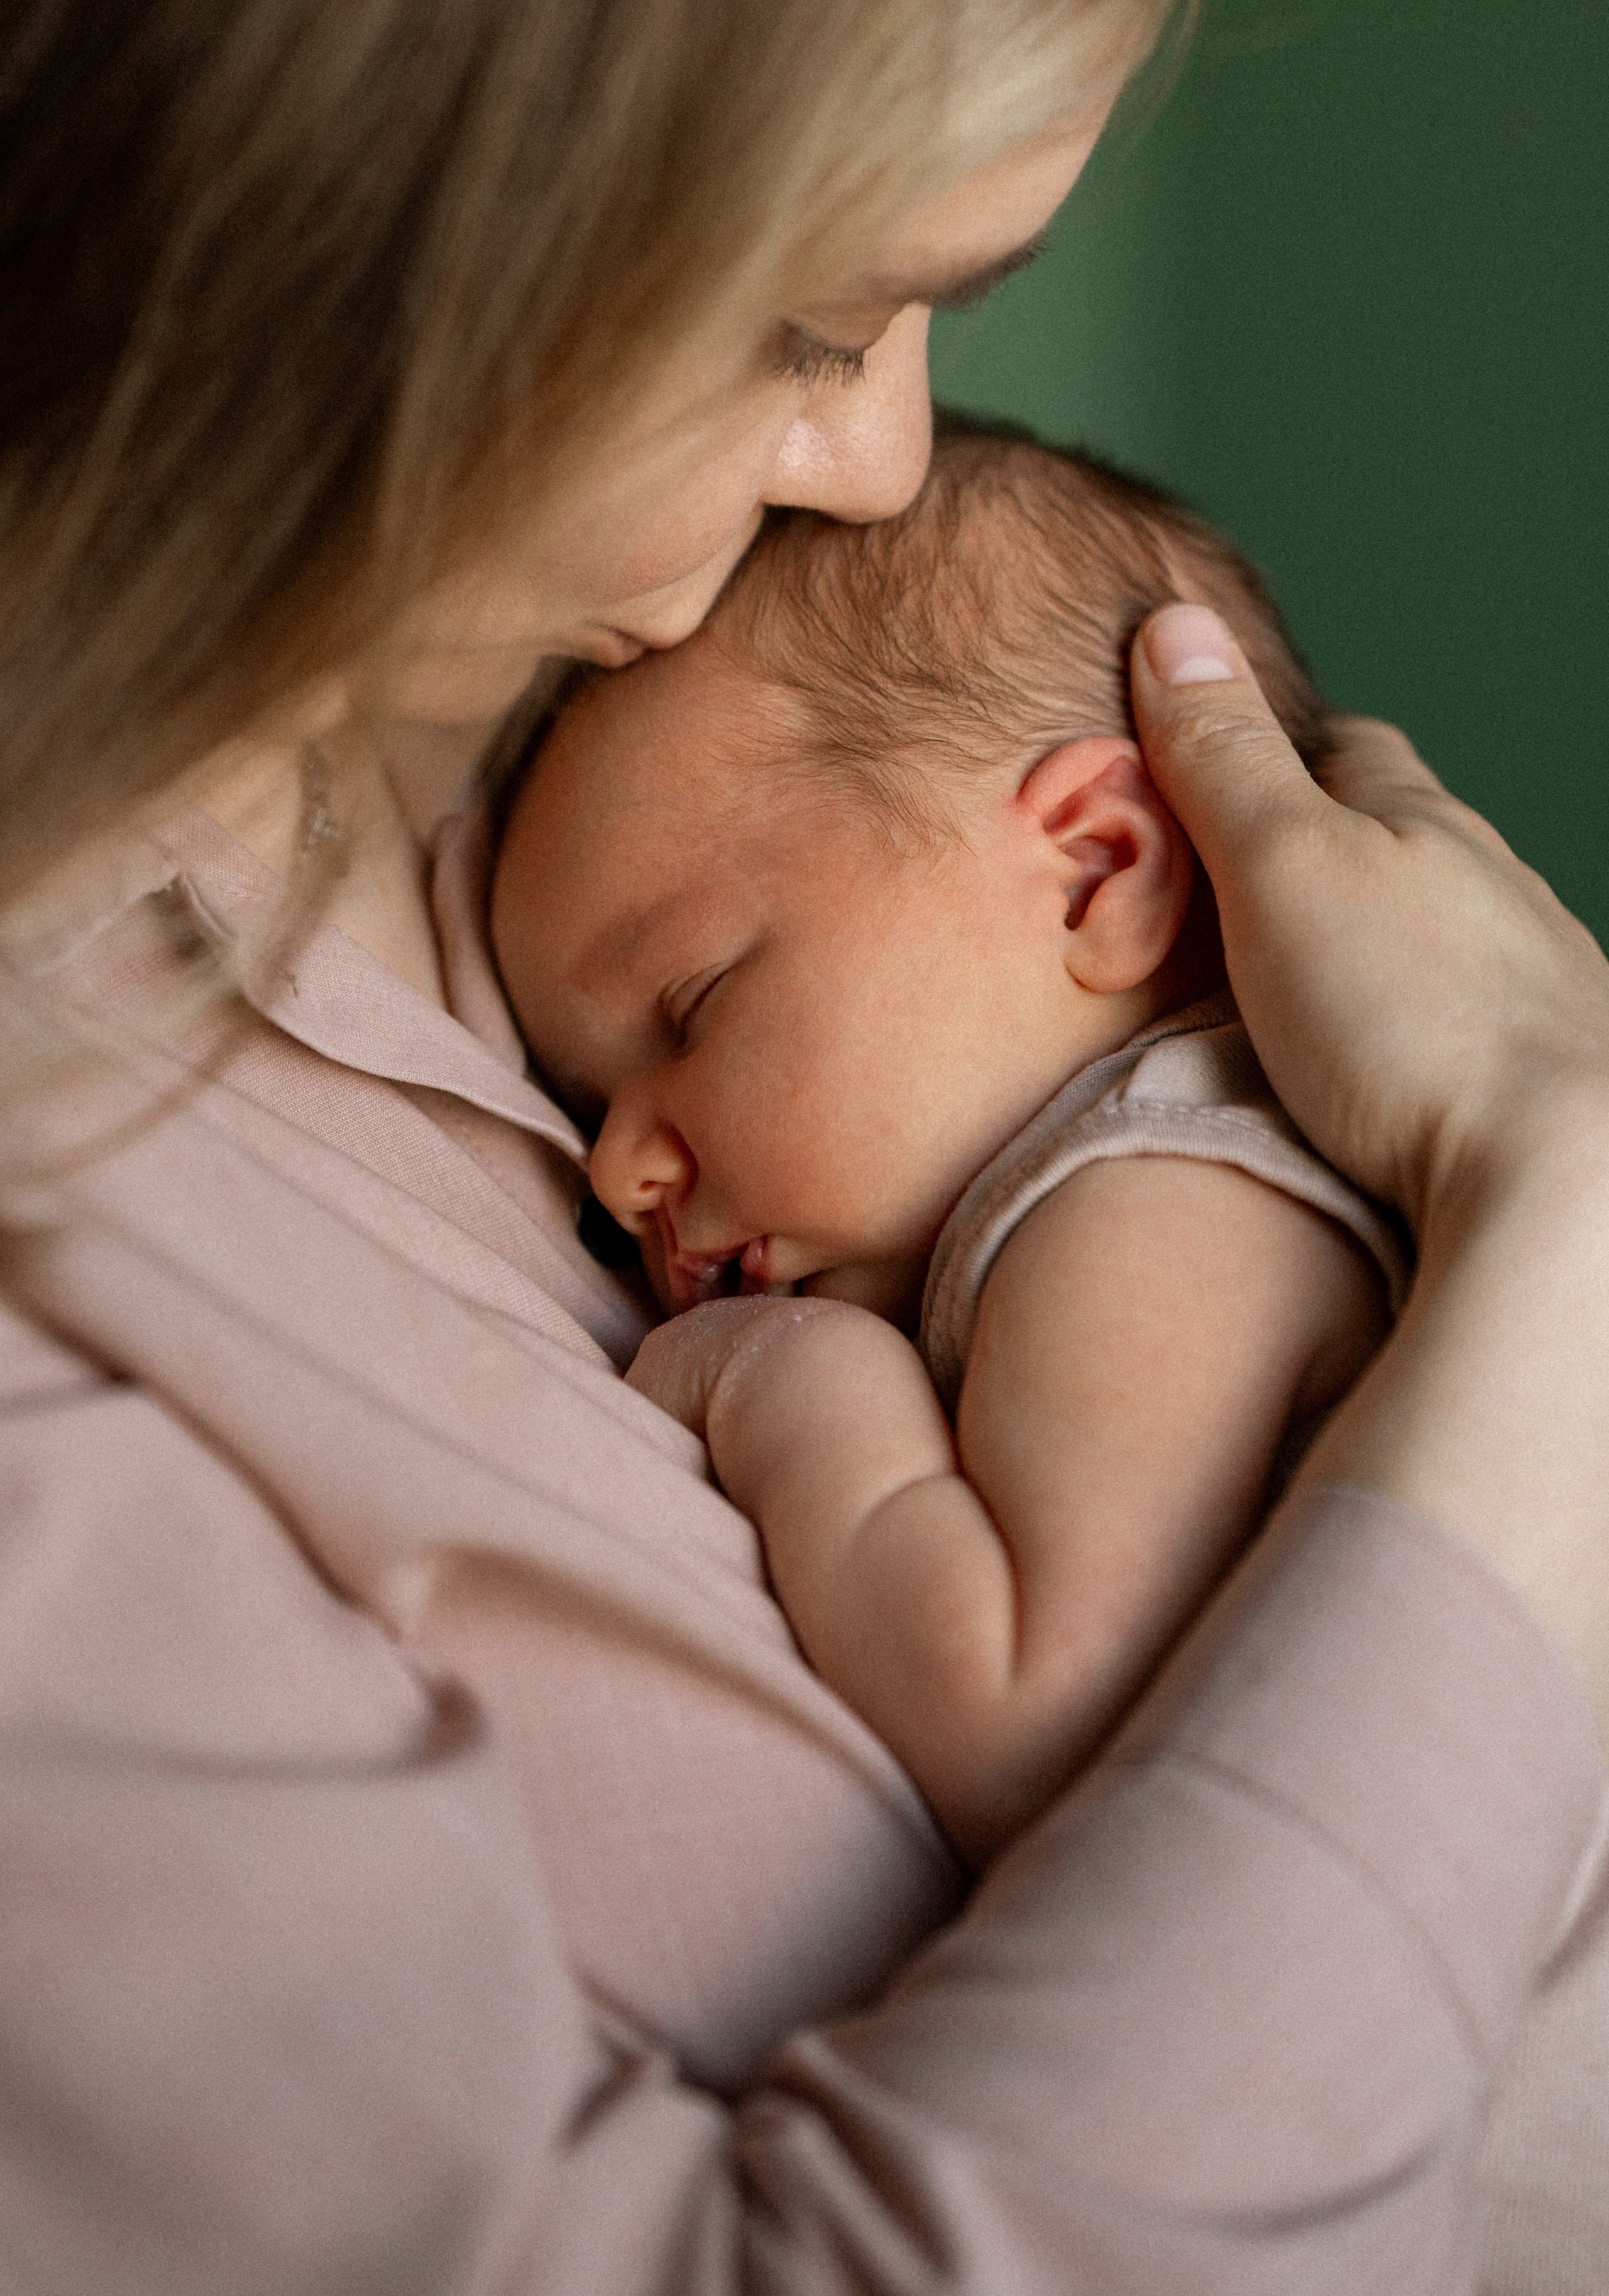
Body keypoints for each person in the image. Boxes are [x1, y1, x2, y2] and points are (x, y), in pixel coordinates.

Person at [1, 0, 1608, 2290]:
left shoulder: (525, 738)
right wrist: (1566, 1223)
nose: (876, 455)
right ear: (358, 189)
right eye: (806, 316)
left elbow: (1040, 1687)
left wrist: (803, 1383)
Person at [490, 428, 1409, 1861]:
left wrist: (785, 1382)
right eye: (582, 1093)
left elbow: (1023, 1723)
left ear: (1097, 869)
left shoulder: (1169, 1194)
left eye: (691, 1006)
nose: (612, 1171)